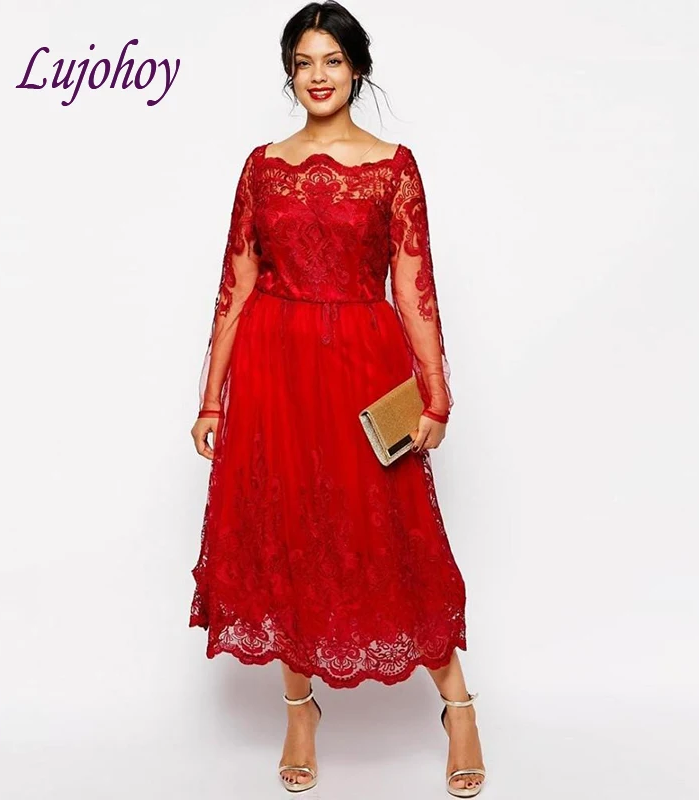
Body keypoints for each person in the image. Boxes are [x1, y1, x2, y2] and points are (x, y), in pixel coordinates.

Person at [188, 2, 486, 796]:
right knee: (284, 531)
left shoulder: (393, 166)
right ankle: (299, 709)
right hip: (274, 370)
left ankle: (458, 706)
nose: (317, 76)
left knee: (395, 538)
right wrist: (212, 398)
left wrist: (435, 396)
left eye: (332, 60)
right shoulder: (262, 166)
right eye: (303, 61)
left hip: (363, 367)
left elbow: (415, 287)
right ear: (290, 73)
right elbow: (236, 283)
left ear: (357, 67)